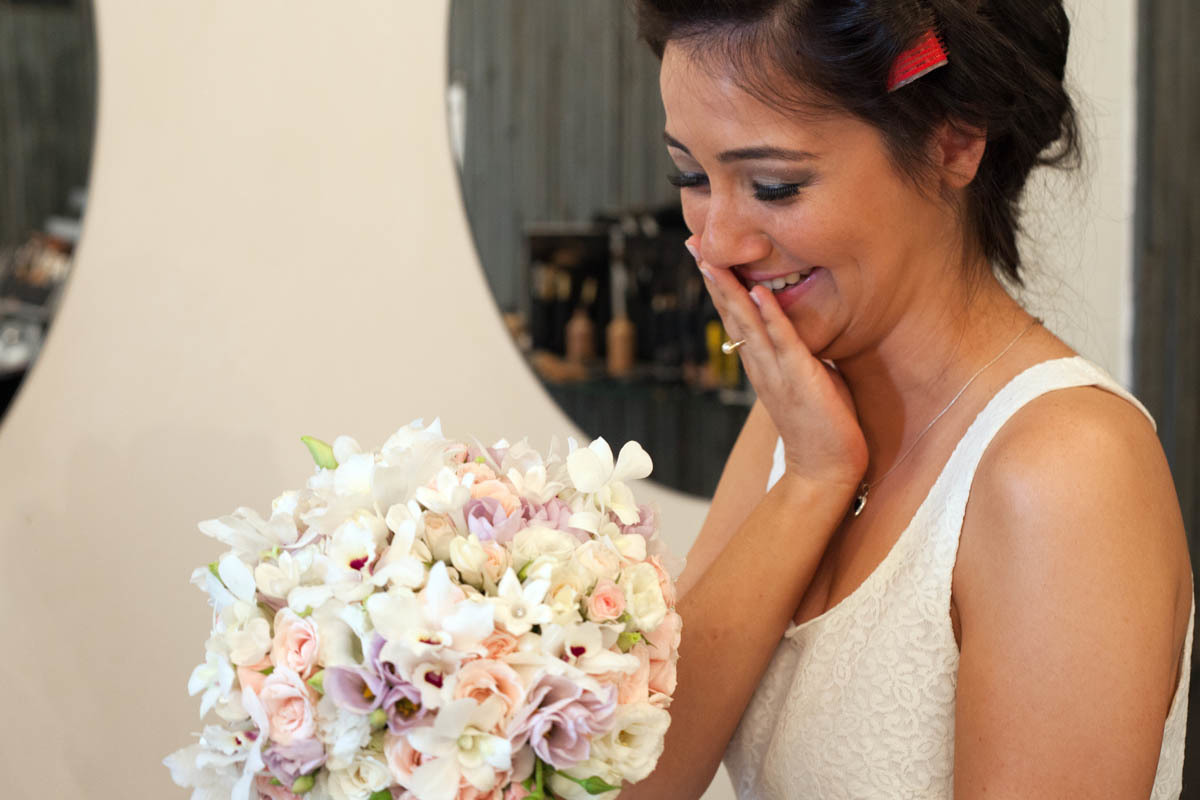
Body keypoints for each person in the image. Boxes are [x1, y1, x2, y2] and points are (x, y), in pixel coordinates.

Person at [618, 2, 1194, 798]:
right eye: (691, 176)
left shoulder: (1066, 472)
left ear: (952, 142)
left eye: (775, 186)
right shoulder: (796, 420)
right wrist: (814, 478)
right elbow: (637, 782)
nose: (714, 243)